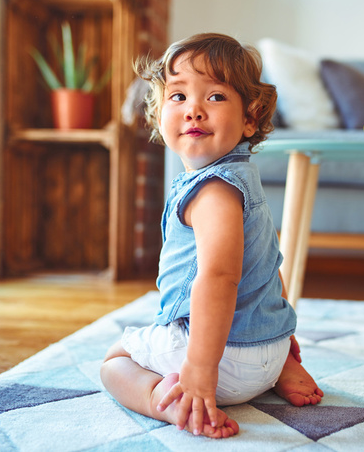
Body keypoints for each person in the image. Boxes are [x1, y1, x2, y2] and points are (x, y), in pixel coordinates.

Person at [100, 33, 323, 439]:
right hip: (267, 354)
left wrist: (200, 372)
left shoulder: (213, 190)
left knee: (115, 361)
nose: (194, 111)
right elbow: (268, 267)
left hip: (216, 361)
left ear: (250, 118)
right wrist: (282, 337)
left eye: (216, 97)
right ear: (158, 113)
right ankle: (279, 370)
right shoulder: (244, 180)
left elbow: (219, 278)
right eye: (178, 96)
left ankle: (165, 402)